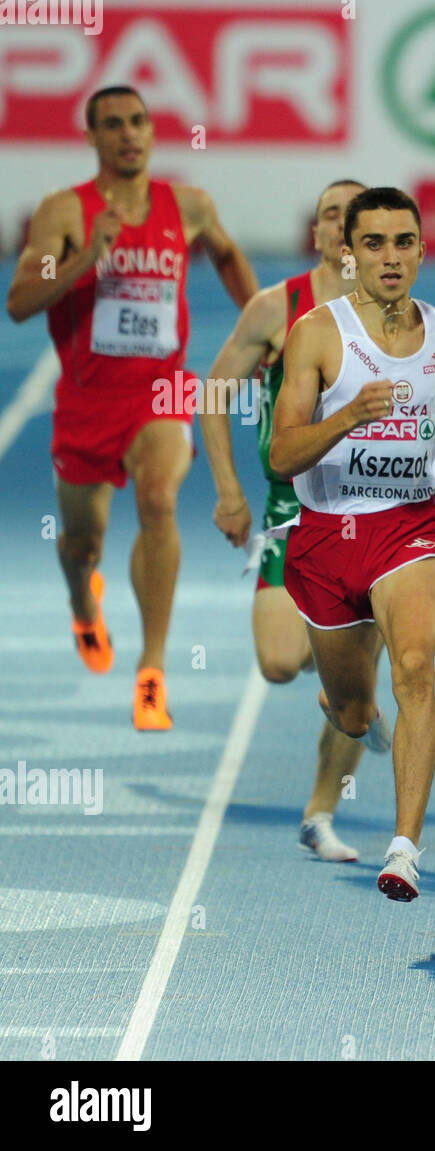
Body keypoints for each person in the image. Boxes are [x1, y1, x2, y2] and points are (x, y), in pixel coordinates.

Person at [270, 186, 435, 900]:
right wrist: (346, 416)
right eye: (373, 243)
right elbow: (282, 454)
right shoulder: (316, 334)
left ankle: (404, 846)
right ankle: (351, 708)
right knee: (352, 708)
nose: (390, 257)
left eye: (404, 242)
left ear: (422, 249)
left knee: (416, 665)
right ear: (349, 252)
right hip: (328, 535)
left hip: (410, 527)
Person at [6, 85, 256, 729]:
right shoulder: (64, 211)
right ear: (90, 138)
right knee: (82, 543)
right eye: (112, 124)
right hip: (88, 399)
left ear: (151, 130)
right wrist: (88, 256)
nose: (129, 133)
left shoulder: (189, 205)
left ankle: (152, 670)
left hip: (162, 388)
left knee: (159, 501)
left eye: (139, 121)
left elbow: (227, 254)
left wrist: (264, 327)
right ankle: (83, 602)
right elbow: (20, 301)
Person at [201, 179, 371, 861]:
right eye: (332, 216)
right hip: (291, 509)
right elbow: (215, 393)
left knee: (350, 691)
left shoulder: (399, 315)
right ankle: (345, 678)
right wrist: (228, 492)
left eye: (355, 218)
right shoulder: (280, 307)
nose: (342, 228)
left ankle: (321, 811)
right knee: (278, 663)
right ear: (320, 234)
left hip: (371, 511)